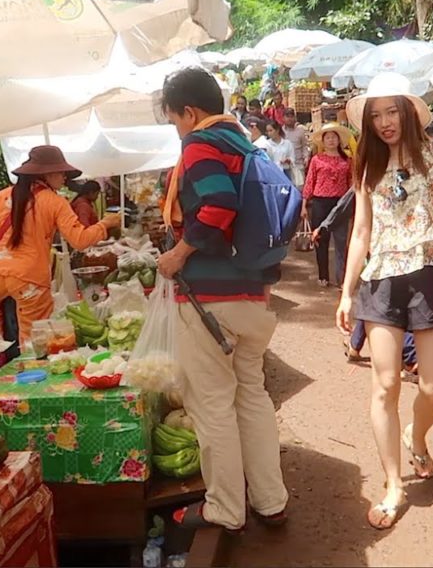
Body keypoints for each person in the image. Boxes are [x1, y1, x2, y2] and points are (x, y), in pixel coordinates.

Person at [157, 66, 288, 533]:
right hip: (252, 295)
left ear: (189, 112)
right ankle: (271, 502)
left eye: (174, 120)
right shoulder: (244, 142)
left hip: (209, 299)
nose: (177, 129)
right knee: (251, 396)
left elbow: (216, 207)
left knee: (212, 406)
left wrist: (178, 253)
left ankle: (226, 510)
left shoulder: (200, 144)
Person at [336, 72, 433, 530]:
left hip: (430, 275)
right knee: (385, 385)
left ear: (408, 111)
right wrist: (346, 292)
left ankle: (416, 436)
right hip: (382, 279)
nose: (384, 122)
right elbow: (361, 231)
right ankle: (393, 484)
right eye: (376, 115)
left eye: (391, 112)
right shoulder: (367, 165)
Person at [0, 145, 120, 347]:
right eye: (61, 173)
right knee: (33, 341)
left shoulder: (3, 196)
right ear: (47, 174)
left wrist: (3, 258)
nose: (64, 178)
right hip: (29, 279)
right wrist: (106, 224)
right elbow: (80, 239)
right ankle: (30, 374)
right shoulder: (55, 202)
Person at [303, 122, 354, 288]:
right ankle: (323, 275)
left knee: (341, 241)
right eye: (328, 138)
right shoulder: (316, 160)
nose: (331, 141)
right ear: (323, 141)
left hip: (340, 203)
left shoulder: (347, 160)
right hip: (320, 202)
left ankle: (342, 278)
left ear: (339, 141)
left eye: (334, 137)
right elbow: (310, 181)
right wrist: (304, 204)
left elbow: (351, 183)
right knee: (321, 239)